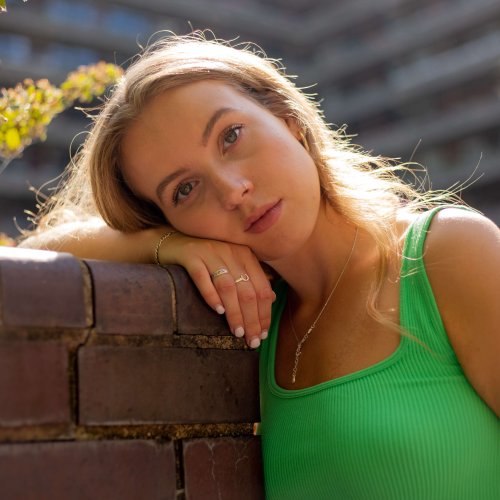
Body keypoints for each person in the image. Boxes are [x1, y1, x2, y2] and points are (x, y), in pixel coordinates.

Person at [19, 33, 499, 499]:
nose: (231, 190)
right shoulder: (259, 313)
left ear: (287, 117)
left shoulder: (446, 251)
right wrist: (163, 245)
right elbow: (36, 257)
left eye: (231, 136)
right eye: (184, 190)